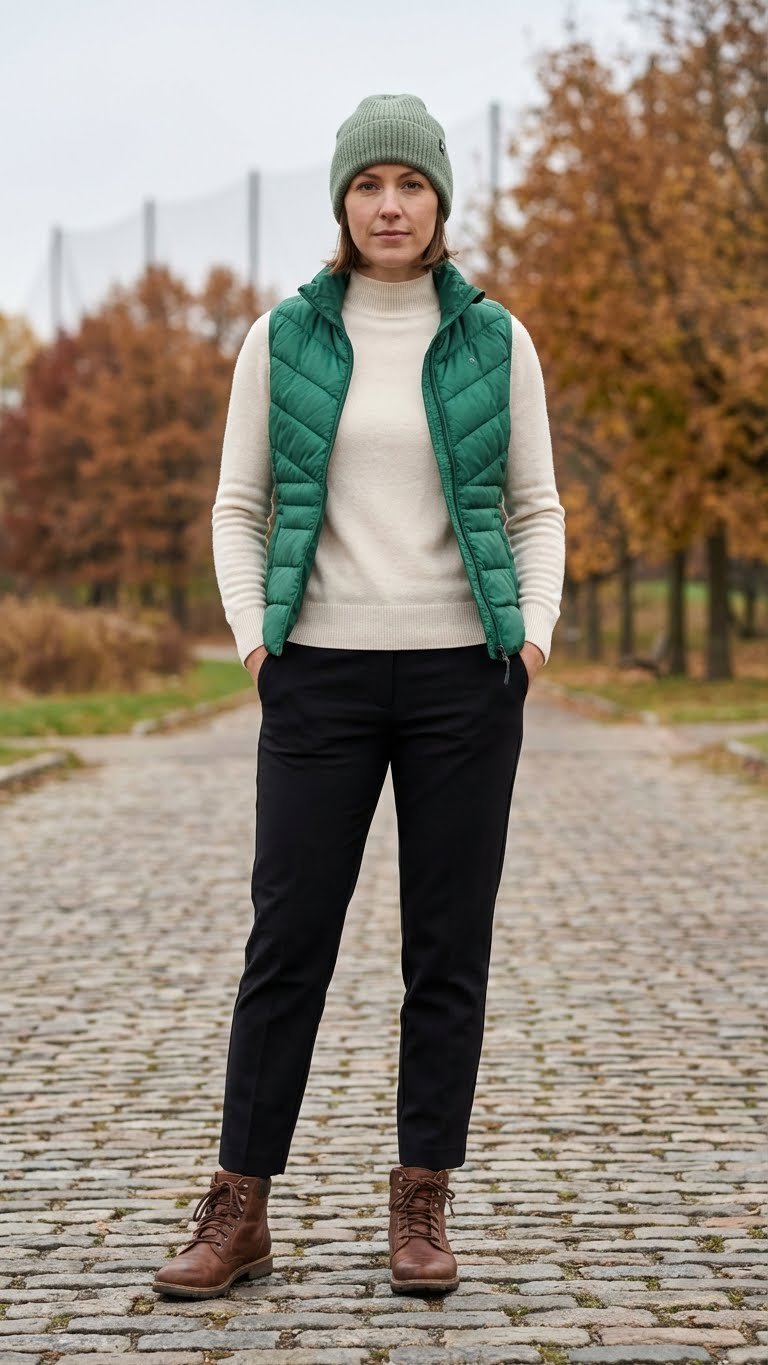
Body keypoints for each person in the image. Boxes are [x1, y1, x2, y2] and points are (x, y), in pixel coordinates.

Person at [153, 92, 566, 1302]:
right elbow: (241, 505)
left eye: (413, 186)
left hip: (463, 683)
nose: (392, 206)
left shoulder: (496, 337)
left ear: (440, 203)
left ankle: (421, 1206)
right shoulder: (283, 336)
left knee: (447, 952)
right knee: (287, 943)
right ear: (343, 202)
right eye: (370, 185)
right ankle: (241, 1209)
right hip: (319, 678)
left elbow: (535, 507)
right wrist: (256, 645)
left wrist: (528, 641)